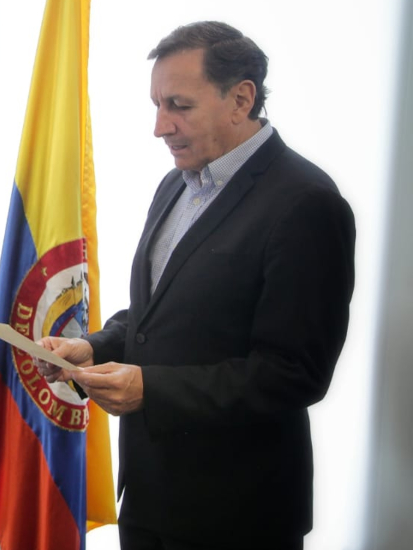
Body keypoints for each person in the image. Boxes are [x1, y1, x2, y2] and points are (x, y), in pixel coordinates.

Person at [37, 21, 355, 550]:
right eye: (156, 104)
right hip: (148, 497)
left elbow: (294, 374)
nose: (159, 127)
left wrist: (149, 390)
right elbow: (156, 313)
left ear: (241, 99)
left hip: (238, 516)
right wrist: (91, 347)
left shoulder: (307, 204)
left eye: (178, 105)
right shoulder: (174, 184)